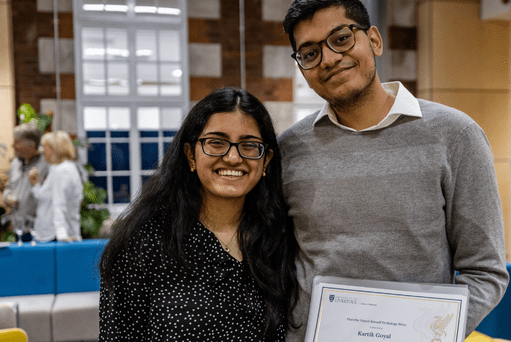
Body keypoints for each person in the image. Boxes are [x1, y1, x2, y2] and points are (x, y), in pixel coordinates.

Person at [279, 0, 509, 339]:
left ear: (373, 40)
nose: (328, 59)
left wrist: (431, 334)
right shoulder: (288, 148)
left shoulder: (456, 135)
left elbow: (486, 272)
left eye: (341, 39)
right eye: (310, 53)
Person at [98, 87, 299, 341]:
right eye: (216, 143)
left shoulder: (279, 238)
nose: (234, 157)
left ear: (266, 160)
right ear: (190, 155)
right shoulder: (143, 242)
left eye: (249, 145)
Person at [29, 131, 83, 243]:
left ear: (55, 148)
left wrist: (62, 235)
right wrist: (35, 184)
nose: (42, 150)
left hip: (55, 236)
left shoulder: (62, 171)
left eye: (45, 147)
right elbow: (45, 196)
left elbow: (59, 204)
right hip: (48, 234)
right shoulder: (56, 169)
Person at [1, 123, 50, 242]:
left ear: (31, 145)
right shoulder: (15, 164)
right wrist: (7, 197)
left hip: (39, 231)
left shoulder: (46, 165)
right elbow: (8, 187)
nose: (13, 145)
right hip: (18, 229)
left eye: (17, 142)